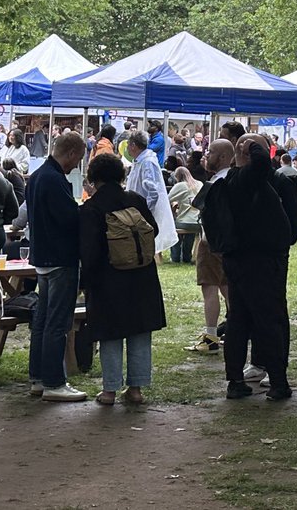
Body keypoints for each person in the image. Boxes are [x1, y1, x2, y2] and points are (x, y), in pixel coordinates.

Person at [80, 152, 167, 405]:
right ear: (121, 175)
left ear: (93, 178)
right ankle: (136, 389)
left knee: (110, 334)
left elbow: (89, 251)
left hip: (108, 279)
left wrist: (86, 283)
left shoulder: (91, 208)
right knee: (139, 331)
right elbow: (154, 230)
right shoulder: (136, 200)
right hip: (142, 276)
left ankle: (109, 391)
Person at [221, 135, 294, 401]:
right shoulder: (246, 177)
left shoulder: (230, 179)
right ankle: (278, 382)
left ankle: (235, 381)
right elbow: (263, 161)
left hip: (237, 260)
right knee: (268, 320)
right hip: (259, 261)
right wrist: (249, 145)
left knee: (237, 321)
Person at [27, 131, 88, 402]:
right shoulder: (55, 180)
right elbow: (69, 219)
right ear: (72, 153)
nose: (76, 166)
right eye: (78, 160)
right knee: (57, 322)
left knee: (41, 321)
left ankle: (38, 378)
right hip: (60, 258)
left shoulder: (38, 176)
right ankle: (54, 382)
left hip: (41, 257)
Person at [188, 138, 236, 354]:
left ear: (224, 157)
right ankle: (237, 330)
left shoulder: (217, 182)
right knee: (228, 289)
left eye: (211, 152)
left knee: (210, 288)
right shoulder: (234, 179)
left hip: (211, 242)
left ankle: (211, 337)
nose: (206, 155)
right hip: (229, 244)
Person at [126, 130, 179, 257]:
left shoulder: (147, 162)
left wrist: (145, 210)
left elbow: (152, 190)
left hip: (142, 211)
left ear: (133, 145)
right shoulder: (140, 160)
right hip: (136, 209)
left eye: (128, 144)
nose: (127, 147)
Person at [169, 166, 200, 263]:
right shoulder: (199, 184)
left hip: (185, 221)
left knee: (171, 227)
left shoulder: (180, 186)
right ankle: (187, 256)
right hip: (198, 222)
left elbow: (166, 199)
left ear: (177, 177)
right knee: (190, 230)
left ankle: (175, 257)